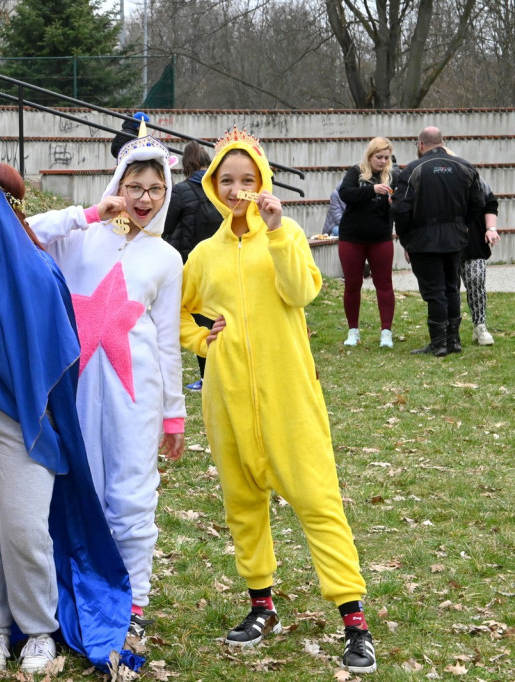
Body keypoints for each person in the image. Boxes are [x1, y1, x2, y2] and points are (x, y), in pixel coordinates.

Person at [179, 128, 376, 674]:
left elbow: (301, 291)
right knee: (243, 506)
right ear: (214, 187)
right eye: (228, 180)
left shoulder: (285, 233)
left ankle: (354, 621)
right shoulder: (203, 254)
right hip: (228, 398)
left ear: (262, 182)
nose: (238, 188)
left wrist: (276, 231)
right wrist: (200, 339)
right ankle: (261, 607)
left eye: (248, 179)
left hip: (290, 396)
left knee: (318, 501)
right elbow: (175, 310)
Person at [0, 162, 132, 673]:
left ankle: (38, 629)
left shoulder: (38, 270)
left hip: (26, 420)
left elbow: (60, 351)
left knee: (24, 529)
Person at [28, 127, 186, 636]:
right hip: (73, 393)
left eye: (154, 189)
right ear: (119, 183)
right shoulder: (80, 237)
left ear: (166, 194)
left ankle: (133, 603)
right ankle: (75, 593)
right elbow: (24, 231)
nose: (144, 199)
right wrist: (89, 214)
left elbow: (166, 342)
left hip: (134, 395)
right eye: (135, 186)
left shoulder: (166, 258)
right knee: (77, 491)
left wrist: (173, 412)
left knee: (132, 496)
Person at [391, 127, 485, 356]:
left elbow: (400, 209)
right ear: (443, 142)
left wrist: (406, 240)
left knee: (434, 291)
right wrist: (464, 224)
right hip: (455, 238)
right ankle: (453, 341)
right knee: (451, 287)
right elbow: (480, 201)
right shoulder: (464, 167)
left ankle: (439, 343)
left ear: (421, 145)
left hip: (424, 240)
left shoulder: (413, 170)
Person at [162, 140, 222, 391]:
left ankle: (207, 377)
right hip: (218, 259)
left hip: (190, 262)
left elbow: (165, 224)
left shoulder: (181, 191)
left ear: (186, 165)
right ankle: (216, 373)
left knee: (198, 319)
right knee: (216, 316)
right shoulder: (218, 188)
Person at [338, 137, 398, 349]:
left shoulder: (393, 175)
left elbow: (401, 204)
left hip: (380, 237)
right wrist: (371, 190)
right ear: (370, 156)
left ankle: (386, 332)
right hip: (351, 236)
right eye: (379, 157)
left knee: (384, 284)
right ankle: (353, 331)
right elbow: (345, 194)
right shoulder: (356, 171)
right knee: (353, 284)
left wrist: (393, 202)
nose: (382, 161)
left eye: (386, 158)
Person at [460, 175, 499, 346]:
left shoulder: (472, 178)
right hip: (445, 243)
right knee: (448, 288)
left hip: (473, 242)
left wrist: (491, 229)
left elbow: (490, 202)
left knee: (476, 281)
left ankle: (479, 325)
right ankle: (448, 329)